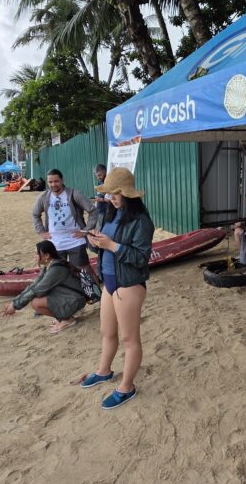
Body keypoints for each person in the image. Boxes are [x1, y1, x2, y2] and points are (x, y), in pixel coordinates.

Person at [81, 167, 154, 410]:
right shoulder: (110, 214)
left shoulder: (142, 221)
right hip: (109, 282)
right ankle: (103, 371)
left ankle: (127, 386)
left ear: (127, 194)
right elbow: (104, 247)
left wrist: (112, 246)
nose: (110, 198)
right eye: (109, 193)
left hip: (128, 284)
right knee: (106, 332)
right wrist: (93, 241)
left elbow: (141, 257)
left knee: (129, 339)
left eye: (114, 193)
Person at [2, 240, 87, 334]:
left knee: (36, 303)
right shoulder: (50, 265)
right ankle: (62, 317)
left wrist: (15, 306)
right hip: (70, 295)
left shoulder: (56, 269)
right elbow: (34, 285)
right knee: (36, 295)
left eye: (37, 254)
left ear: (46, 256)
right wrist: (14, 302)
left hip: (75, 299)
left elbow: (37, 290)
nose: (34, 256)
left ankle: (66, 319)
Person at [31, 169, 98, 270]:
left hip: (75, 241)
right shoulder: (44, 197)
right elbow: (35, 214)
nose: (53, 184)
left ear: (62, 180)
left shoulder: (74, 194)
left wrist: (85, 230)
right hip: (54, 243)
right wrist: (41, 231)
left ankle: (92, 286)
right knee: (59, 273)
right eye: (50, 182)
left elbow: (93, 211)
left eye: (56, 181)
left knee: (83, 272)